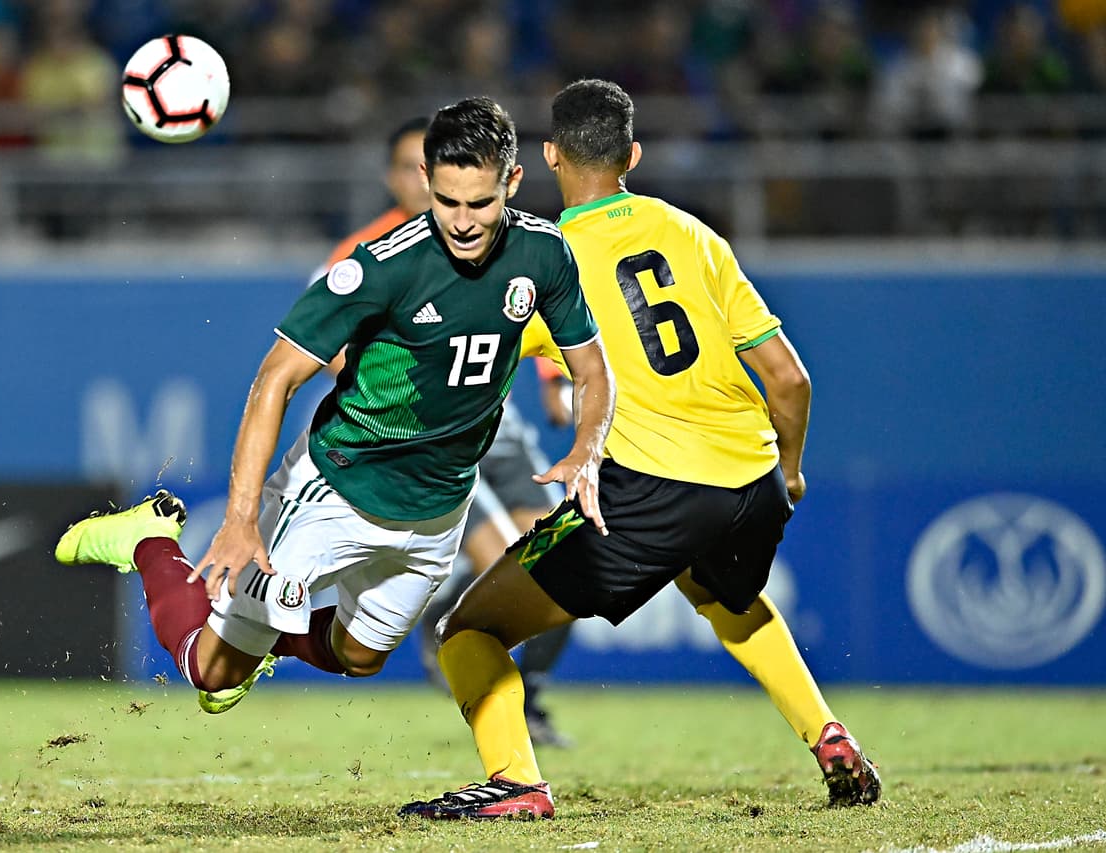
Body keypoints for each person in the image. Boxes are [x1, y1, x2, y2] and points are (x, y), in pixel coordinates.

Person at [400, 79, 881, 821]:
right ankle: (829, 735)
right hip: (752, 480)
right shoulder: (693, 234)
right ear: (633, 154)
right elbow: (789, 378)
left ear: (550, 155)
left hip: (648, 491)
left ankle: (515, 779)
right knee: (726, 597)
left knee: (468, 628)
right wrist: (788, 468)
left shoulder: (546, 256)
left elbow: (467, 364)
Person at [55, 96, 614, 719]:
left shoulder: (544, 253)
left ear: (511, 182)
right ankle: (150, 542)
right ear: (425, 181)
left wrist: (586, 453)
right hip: (337, 489)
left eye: (479, 203)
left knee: (359, 657)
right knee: (214, 674)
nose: (461, 221)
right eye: (447, 201)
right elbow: (275, 380)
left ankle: (262, 628)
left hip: (439, 507)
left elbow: (592, 369)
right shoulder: (378, 268)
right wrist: (240, 520)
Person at [319, 114, 579, 747]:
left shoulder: (504, 243)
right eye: (422, 175)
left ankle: (522, 687)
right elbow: (328, 352)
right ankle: (479, 670)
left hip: (499, 428)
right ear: (411, 178)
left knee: (564, 560)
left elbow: (543, 313)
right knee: (508, 562)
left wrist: (558, 383)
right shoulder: (373, 254)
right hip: (423, 443)